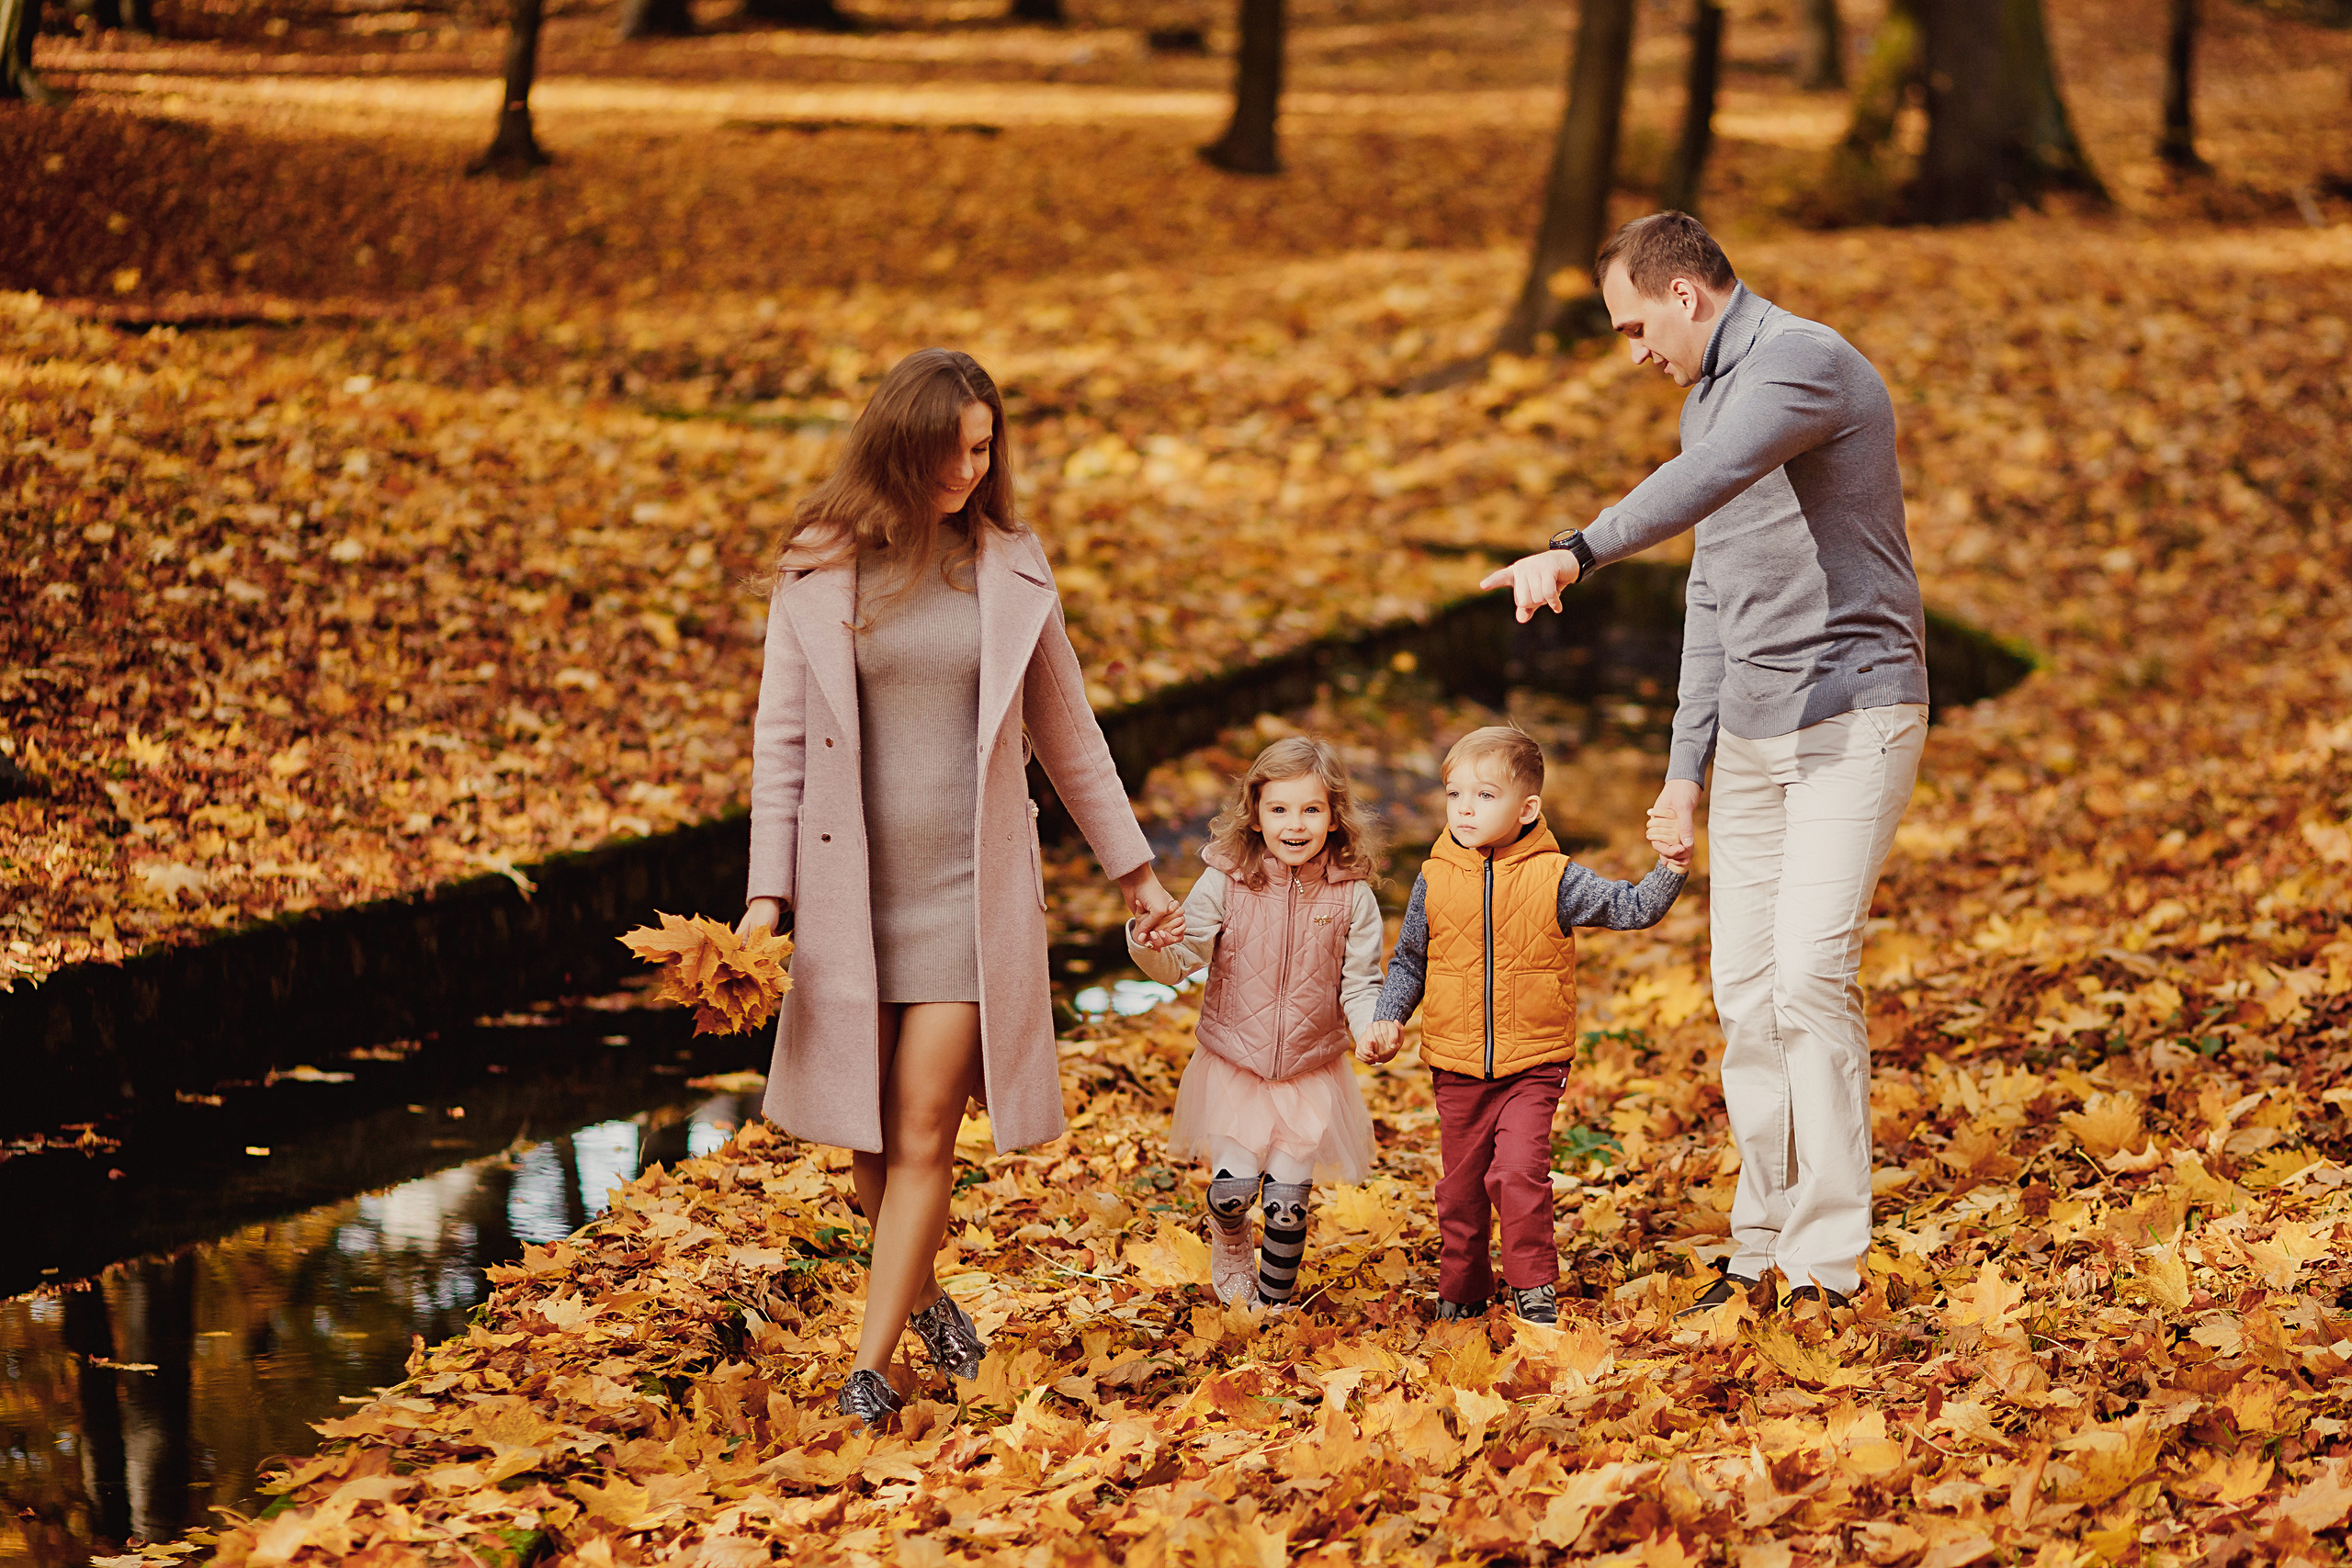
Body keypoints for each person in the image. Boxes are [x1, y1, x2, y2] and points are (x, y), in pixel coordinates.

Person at [1477, 210, 1930, 1311]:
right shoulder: (1702, 404)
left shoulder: (1802, 364)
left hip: (1853, 710)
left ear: (1684, 295)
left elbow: (1711, 476)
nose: (1634, 350)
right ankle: (1757, 1246)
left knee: (1811, 979)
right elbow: (1709, 593)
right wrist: (1686, 767)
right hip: (1759, 737)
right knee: (1743, 993)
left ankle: (1825, 1263)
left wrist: (1575, 548)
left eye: (1635, 324)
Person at [737, 348, 1184, 1428]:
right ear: (899, 447)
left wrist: (1136, 874)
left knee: (925, 1121)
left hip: (965, 896)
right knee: (868, 1146)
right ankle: (929, 1302)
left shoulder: (1009, 568)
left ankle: (870, 1367)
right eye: (949, 452)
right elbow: (782, 747)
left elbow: (1069, 737)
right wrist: (767, 900)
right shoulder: (820, 567)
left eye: (984, 451)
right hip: (850, 899)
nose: (968, 472)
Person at [1361, 727, 1684, 1325]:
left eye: (1485, 795)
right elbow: (1410, 960)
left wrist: (1671, 865)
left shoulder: (1556, 877)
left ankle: (1532, 1286)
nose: (1464, 808)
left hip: (1533, 1063)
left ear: (1527, 807)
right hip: (1456, 1067)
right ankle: (1463, 1289)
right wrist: (1387, 1017)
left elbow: (1634, 907)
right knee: (1458, 1190)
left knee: (1515, 1174)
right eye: (1455, 794)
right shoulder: (1434, 876)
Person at [1125, 737, 1387, 1308]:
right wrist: (1149, 942)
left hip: (1308, 1068)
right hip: (1234, 1063)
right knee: (1233, 1193)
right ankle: (1231, 1242)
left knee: (1288, 1204)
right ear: (1256, 814)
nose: (1295, 824)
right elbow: (1181, 959)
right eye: (1280, 809)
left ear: (1335, 817)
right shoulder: (1225, 881)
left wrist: (1370, 1027)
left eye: (1311, 809)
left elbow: (1361, 982)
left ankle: (1274, 1306)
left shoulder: (1352, 897)